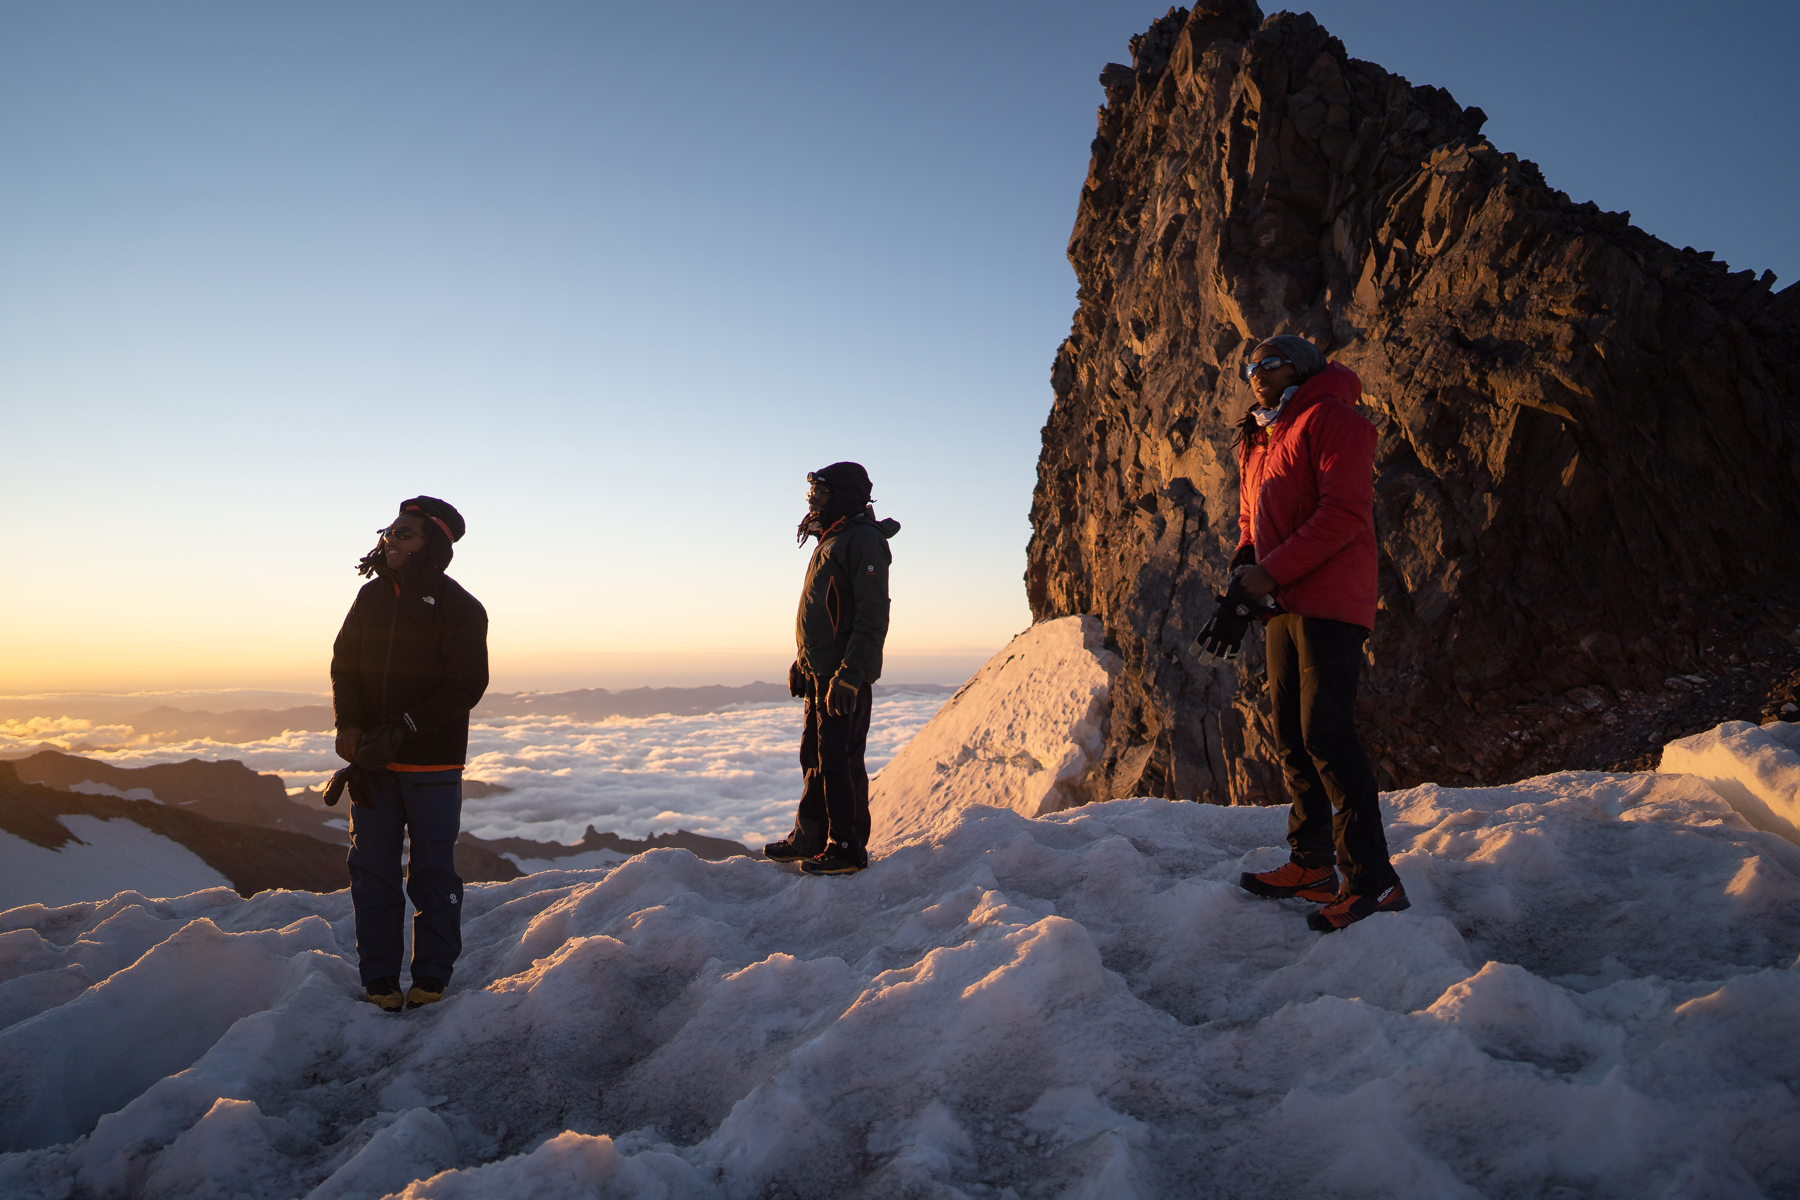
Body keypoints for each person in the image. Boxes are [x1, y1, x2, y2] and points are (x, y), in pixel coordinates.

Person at [1228, 336, 1409, 932]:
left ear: (1301, 367)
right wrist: (1244, 566)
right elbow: (1251, 517)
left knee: (1326, 735)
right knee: (1291, 735)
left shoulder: (1334, 420)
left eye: (1270, 363)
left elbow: (1343, 513)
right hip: (1282, 602)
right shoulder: (1260, 436)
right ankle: (1312, 864)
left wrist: (1270, 572)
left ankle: (1373, 881)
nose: (1257, 373)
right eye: (1251, 366)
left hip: (1329, 600)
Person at [331, 497, 489, 1009]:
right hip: (374, 764)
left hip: (433, 764)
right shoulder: (369, 599)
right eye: (390, 531)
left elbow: (467, 683)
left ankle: (432, 978)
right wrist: (350, 724)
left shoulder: (459, 606)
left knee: (432, 872)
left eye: (405, 533)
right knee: (372, 869)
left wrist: (404, 729)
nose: (390, 539)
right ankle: (379, 977)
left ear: (432, 545)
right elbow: (345, 665)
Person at [763, 462, 899, 876]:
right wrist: (803, 661)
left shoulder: (862, 541)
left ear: (841, 495)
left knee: (840, 758)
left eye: (820, 493)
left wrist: (850, 674)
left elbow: (871, 615)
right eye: (811, 495)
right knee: (816, 757)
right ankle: (811, 835)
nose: (812, 501)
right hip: (822, 672)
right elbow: (824, 614)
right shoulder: (833, 538)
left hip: (843, 677)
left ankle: (847, 847)